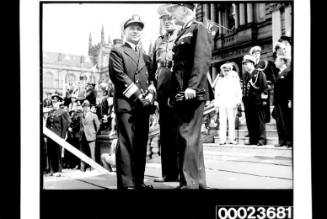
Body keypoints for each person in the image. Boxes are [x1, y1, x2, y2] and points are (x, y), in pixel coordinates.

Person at [166, 3, 212, 189]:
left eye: (174, 10)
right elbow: (178, 68)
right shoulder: (182, 32)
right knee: (191, 138)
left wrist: (192, 86)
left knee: (187, 136)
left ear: (184, 9)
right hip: (182, 93)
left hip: (192, 92)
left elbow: (201, 59)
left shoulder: (198, 28)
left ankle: (189, 184)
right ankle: (197, 182)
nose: (171, 14)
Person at [108, 14, 156, 190]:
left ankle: (138, 181)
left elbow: (152, 79)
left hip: (143, 106)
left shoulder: (146, 56)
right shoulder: (117, 51)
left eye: (138, 28)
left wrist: (151, 94)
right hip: (127, 105)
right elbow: (119, 77)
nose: (136, 31)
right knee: (127, 143)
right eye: (132, 28)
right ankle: (127, 183)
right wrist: (139, 96)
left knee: (141, 144)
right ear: (124, 31)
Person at [151, 7, 179, 183]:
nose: (167, 21)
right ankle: (168, 173)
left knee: (178, 131)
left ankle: (181, 172)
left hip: (177, 85)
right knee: (166, 131)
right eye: (164, 19)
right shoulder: (158, 41)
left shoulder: (182, 36)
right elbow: (153, 67)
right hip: (162, 86)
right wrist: (153, 89)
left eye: (170, 18)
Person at [242, 55, 268, 146]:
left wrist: (264, 102)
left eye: (246, 63)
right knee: (250, 120)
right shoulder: (245, 75)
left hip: (257, 101)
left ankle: (262, 139)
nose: (245, 65)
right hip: (248, 101)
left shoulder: (259, 73)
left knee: (259, 120)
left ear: (252, 63)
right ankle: (253, 138)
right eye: (244, 64)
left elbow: (264, 88)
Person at [214, 63, 242, 145]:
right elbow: (217, 94)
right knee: (222, 122)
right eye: (224, 70)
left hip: (232, 103)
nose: (226, 72)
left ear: (230, 71)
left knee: (231, 121)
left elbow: (238, 91)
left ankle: (232, 139)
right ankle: (222, 139)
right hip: (222, 103)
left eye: (227, 70)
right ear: (222, 71)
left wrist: (238, 101)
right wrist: (216, 104)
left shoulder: (234, 80)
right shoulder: (220, 81)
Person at [249, 46, 277, 123]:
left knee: (264, 106)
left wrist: (270, 85)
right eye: (255, 53)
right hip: (254, 91)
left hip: (264, 89)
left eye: (258, 53)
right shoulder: (250, 65)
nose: (257, 55)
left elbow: (272, 76)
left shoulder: (265, 63)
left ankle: (265, 121)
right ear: (252, 55)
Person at [46, 94, 71, 176]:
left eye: (55, 102)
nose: (54, 104)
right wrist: (46, 135)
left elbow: (65, 124)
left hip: (58, 135)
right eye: (53, 102)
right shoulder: (50, 112)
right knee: (50, 152)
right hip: (50, 135)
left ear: (59, 102)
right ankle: (51, 170)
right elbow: (47, 124)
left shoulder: (62, 112)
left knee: (57, 153)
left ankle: (59, 170)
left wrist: (63, 137)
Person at [273, 55, 292, 147]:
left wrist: (290, 100)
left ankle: (289, 141)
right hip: (277, 102)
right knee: (279, 122)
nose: (275, 62)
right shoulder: (279, 73)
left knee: (286, 121)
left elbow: (290, 87)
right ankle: (282, 141)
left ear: (282, 61)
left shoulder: (288, 72)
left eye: (276, 61)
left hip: (285, 101)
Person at [79, 100, 100, 170]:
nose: (86, 108)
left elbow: (98, 126)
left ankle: (93, 168)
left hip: (91, 136)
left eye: (87, 107)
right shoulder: (81, 116)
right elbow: (81, 126)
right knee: (82, 153)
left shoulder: (94, 115)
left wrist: (94, 133)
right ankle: (82, 168)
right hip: (82, 136)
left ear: (89, 107)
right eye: (84, 107)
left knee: (92, 153)